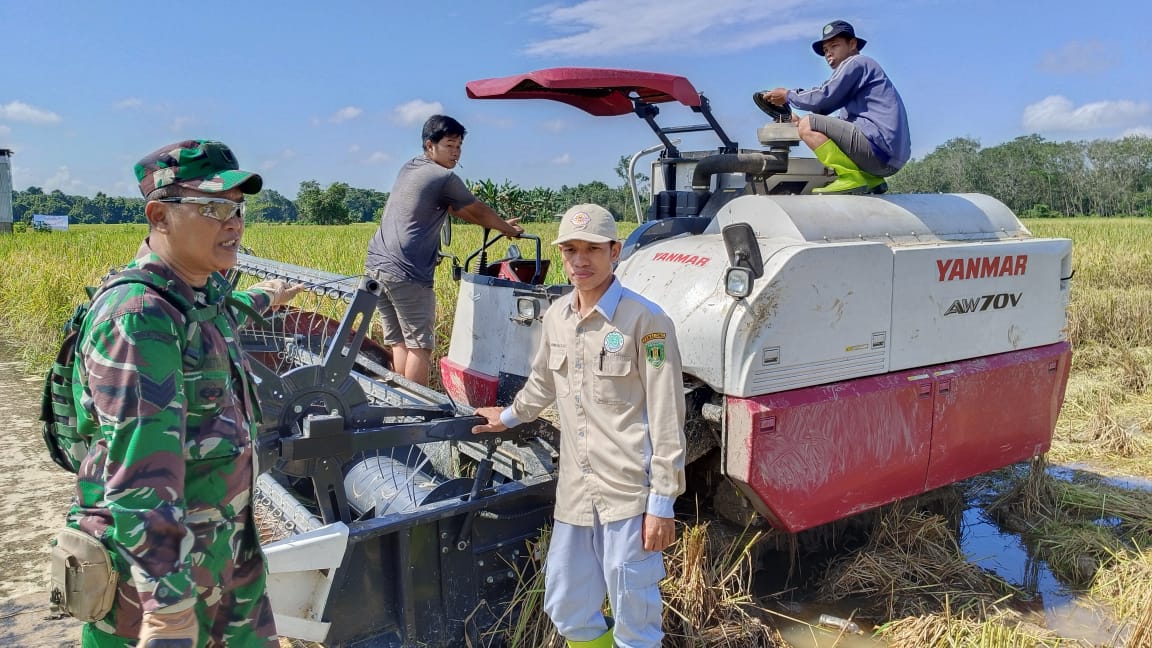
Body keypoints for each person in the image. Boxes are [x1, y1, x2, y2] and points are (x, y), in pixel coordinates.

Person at [66, 139, 305, 647]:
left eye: (238, 208)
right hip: (157, 580)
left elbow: (223, 310)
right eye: (214, 207)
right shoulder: (140, 318)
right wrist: (169, 609)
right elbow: (140, 479)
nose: (234, 221)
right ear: (160, 215)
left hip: (223, 555)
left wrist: (271, 294)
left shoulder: (197, 293)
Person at [472, 204, 686, 648]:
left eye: (592, 249)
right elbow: (542, 383)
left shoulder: (647, 323)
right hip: (576, 490)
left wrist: (662, 504)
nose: (580, 260)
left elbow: (668, 415)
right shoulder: (557, 318)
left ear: (616, 251)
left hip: (628, 492)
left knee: (635, 617)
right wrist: (508, 416)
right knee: (567, 605)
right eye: (570, 250)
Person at [365, 114, 523, 386]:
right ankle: (416, 412)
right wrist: (506, 229)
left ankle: (400, 406)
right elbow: (476, 209)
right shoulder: (443, 177)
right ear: (430, 146)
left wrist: (497, 225)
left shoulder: (410, 168)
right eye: (450, 146)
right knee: (420, 346)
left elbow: (456, 208)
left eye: (459, 146)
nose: (456, 152)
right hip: (407, 272)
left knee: (400, 341)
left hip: (376, 267)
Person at [760, 19, 911, 195]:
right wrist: (798, 122)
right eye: (825, 50)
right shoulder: (860, 75)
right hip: (889, 157)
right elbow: (842, 123)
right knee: (806, 123)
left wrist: (788, 95)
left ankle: (850, 177)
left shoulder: (857, 63)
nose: (829, 53)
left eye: (834, 46)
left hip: (879, 149)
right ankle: (870, 179)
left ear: (852, 44)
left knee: (809, 123)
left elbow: (823, 98)